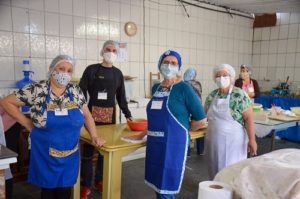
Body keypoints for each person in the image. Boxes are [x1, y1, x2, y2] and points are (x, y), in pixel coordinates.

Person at [0, 55, 105, 199]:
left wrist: (94, 135)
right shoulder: (37, 90)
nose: (65, 73)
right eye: (61, 69)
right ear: (52, 70)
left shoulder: (75, 91)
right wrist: (26, 123)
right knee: (48, 190)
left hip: (70, 152)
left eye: (69, 71)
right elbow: (7, 102)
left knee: (65, 190)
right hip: (45, 151)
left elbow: (87, 116)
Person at [128, 50, 207, 199]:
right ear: (160, 65)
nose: (169, 65)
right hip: (155, 142)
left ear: (179, 67)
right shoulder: (156, 88)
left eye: (173, 63)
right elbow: (156, 117)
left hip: (173, 144)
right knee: (158, 182)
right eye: (166, 62)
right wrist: (142, 134)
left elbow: (201, 119)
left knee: (166, 187)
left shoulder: (184, 88)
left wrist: (184, 131)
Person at [79, 40, 132, 198]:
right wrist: (82, 110)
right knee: (88, 154)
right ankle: (85, 185)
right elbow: (80, 91)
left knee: (104, 153)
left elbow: (121, 97)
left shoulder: (118, 73)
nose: (111, 52)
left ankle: (99, 181)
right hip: (91, 118)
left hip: (110, 119)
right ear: (102, 51)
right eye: (108, 49)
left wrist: (128, 114)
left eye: (114, 50)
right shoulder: (92, 69)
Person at [204, 64, 257, 180]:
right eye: (218, 76)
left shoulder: (239, 95)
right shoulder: (211, 96)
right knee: (214, 172)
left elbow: (249, 119)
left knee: (232, 172)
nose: (221, 78)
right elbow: (204, 116)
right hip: (213, 142)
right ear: (214, 79)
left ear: (231, 77)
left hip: (234, 144)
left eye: (225, 75)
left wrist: (252, 140)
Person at [183, 67, 205, 156]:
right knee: (199, 129)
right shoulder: (198, 84)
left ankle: (187, 151)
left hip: (187, 109)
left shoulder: (184, 84)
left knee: (186, 129)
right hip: (198, 108)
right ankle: (201, 150)